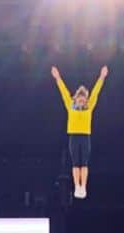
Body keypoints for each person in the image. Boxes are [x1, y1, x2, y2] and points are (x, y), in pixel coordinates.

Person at [51, 64, 108, 199]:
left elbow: (96, 92)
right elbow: (63, 91)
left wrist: (101, 77)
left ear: (86, 100)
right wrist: (58, 77)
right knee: (76, 164)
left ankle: (83, 186)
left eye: (84, 99)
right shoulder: (70, 106)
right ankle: (77, 186)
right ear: (76, 98)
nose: (82, 101)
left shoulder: (89, 106)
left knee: (84, 164)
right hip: (74, 136)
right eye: (80, 99)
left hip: (85, 136)